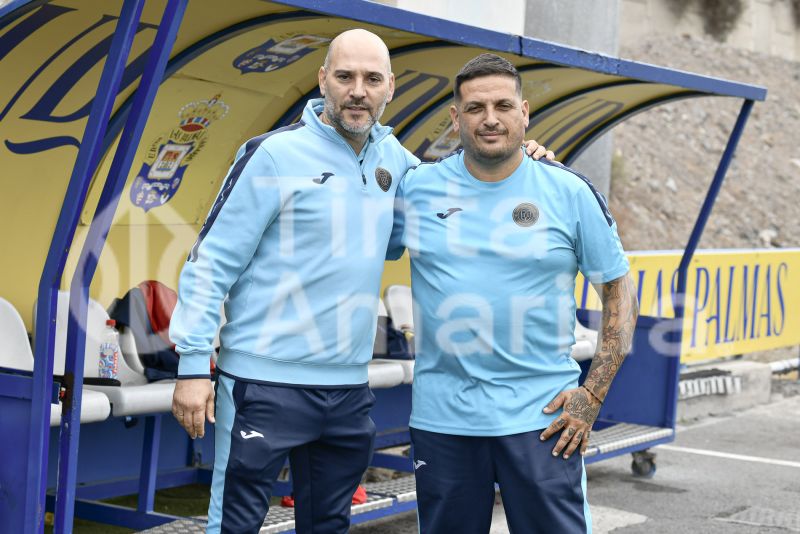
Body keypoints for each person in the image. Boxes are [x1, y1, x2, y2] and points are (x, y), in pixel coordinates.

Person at [169, 30, 551, 533]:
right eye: (345, 76)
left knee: (328, 524)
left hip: (348, 387)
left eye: (372, 79)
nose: (358, 90)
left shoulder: (396, 162)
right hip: (265, 383)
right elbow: (210, 261)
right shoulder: (272, 156)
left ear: (390, 87)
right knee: (234, 525)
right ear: (322, 79)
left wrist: (526, 160)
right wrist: (193, 364)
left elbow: (459, 188)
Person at [387, 53, 639, 533]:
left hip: (543, 419)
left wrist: (592, 395)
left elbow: (619, 291)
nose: (490, 119)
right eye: (476, 108)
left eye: (503, 105)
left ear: (524, 113)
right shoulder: (417, 189)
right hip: (445, 422)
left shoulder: (568, 191)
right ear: (455, 118)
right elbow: (352, 240)